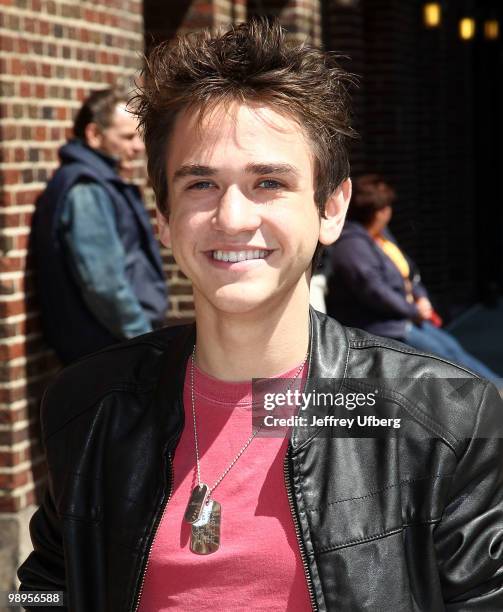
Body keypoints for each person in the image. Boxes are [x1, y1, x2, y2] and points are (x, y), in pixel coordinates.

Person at [18, 21, 503, 611]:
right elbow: (44, 590)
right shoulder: (91, 406)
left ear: (331, 207)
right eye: (201, 183)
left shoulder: (440, 415)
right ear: (164, 218)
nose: (232, 216)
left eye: (268, 181)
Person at [33, 88, 168, 364]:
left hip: (114, 346)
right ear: (94, 135)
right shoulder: (86, 189)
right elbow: (104, 284)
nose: (139, 146)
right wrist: (143, 340)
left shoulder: (99, 181)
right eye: (127, 137)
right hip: (109, 351)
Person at [326, 173, 501, 383]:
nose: (389, 212)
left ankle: (496, 388)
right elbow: (375, 292)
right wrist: (413, 310)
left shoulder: (381, 235)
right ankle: (492, 396)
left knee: (452, 349)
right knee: (447, 362)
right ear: (378, 212)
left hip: (407, 315)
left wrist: (421, 297)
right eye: (386, 207)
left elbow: (408, 269)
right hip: (385, 325)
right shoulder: (351, 246)